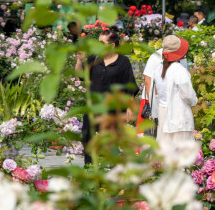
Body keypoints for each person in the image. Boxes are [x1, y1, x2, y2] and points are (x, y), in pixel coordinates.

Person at [75, 29, 138, 165]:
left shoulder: (123, 62)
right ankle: (90, 168)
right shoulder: (94, 58)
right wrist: (79, 60)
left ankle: (110, 171)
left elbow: (130, 85)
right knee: (88, 138)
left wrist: (129, 108)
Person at [153, 35, 198, 149]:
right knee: (182, 155)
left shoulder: (158, 69)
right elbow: (188, 95)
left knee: (165, 153)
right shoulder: (179, 70)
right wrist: (194, 101)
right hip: (178, 116)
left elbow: (157, 92)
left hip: (163, 115)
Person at [141, 38, 189, 135]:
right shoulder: (155, 57)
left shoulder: (182, 58)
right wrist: (154, 107)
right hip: (156, 101)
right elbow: (148, 81)